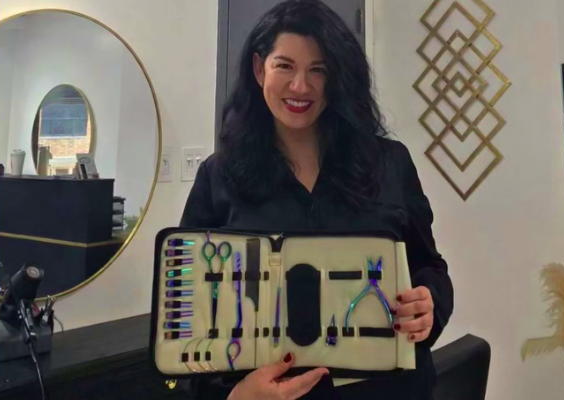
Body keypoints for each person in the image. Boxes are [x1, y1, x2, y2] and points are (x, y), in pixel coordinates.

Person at [181, 1, 454, 399]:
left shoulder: (389, 163)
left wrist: (430, 303)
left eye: (318, 70)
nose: (300, 87)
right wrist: (234, 396)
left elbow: (430, 266)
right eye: (285, 66)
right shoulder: (218, 176)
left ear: (338, 77)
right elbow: (188, 312)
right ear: (259, 69)